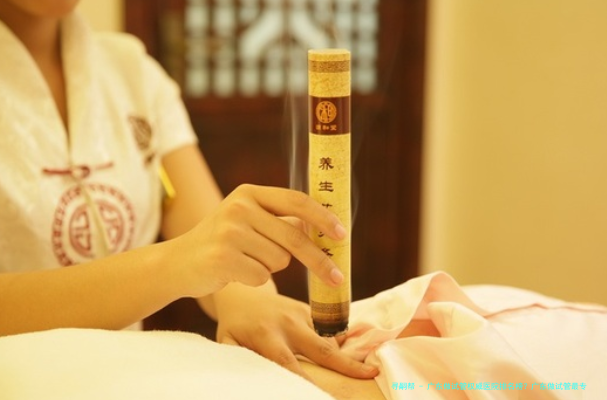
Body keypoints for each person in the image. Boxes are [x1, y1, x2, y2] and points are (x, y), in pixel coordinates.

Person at [0, 0, 378, 381]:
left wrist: (254, 302)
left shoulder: (131, 73)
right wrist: (178, 263)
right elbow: (192, 255)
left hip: (123, 378)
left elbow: (209, 241)